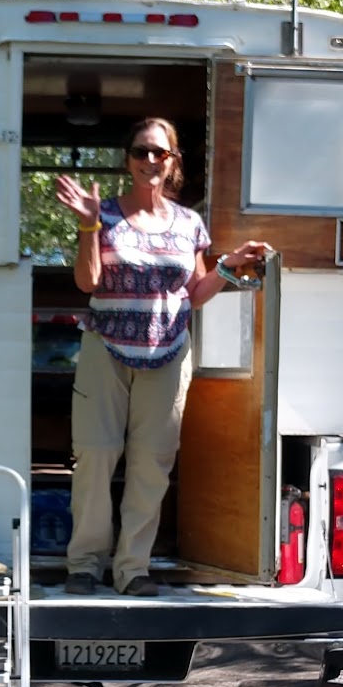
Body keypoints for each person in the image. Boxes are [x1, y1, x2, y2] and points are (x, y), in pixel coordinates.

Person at [55, 116, 271, 595]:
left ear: (172, 160)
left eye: (159, 152)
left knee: (152, 462)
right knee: (95, 455)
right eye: (140, 152)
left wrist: (230, 266)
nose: (149, 160)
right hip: (106, 349)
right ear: (128, 160)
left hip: (168, 353)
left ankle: (132, 569)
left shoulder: (189, 224)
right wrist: (89, 224)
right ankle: (85, 565)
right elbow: (88, 282)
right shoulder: (104, 214)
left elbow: (194, 293)